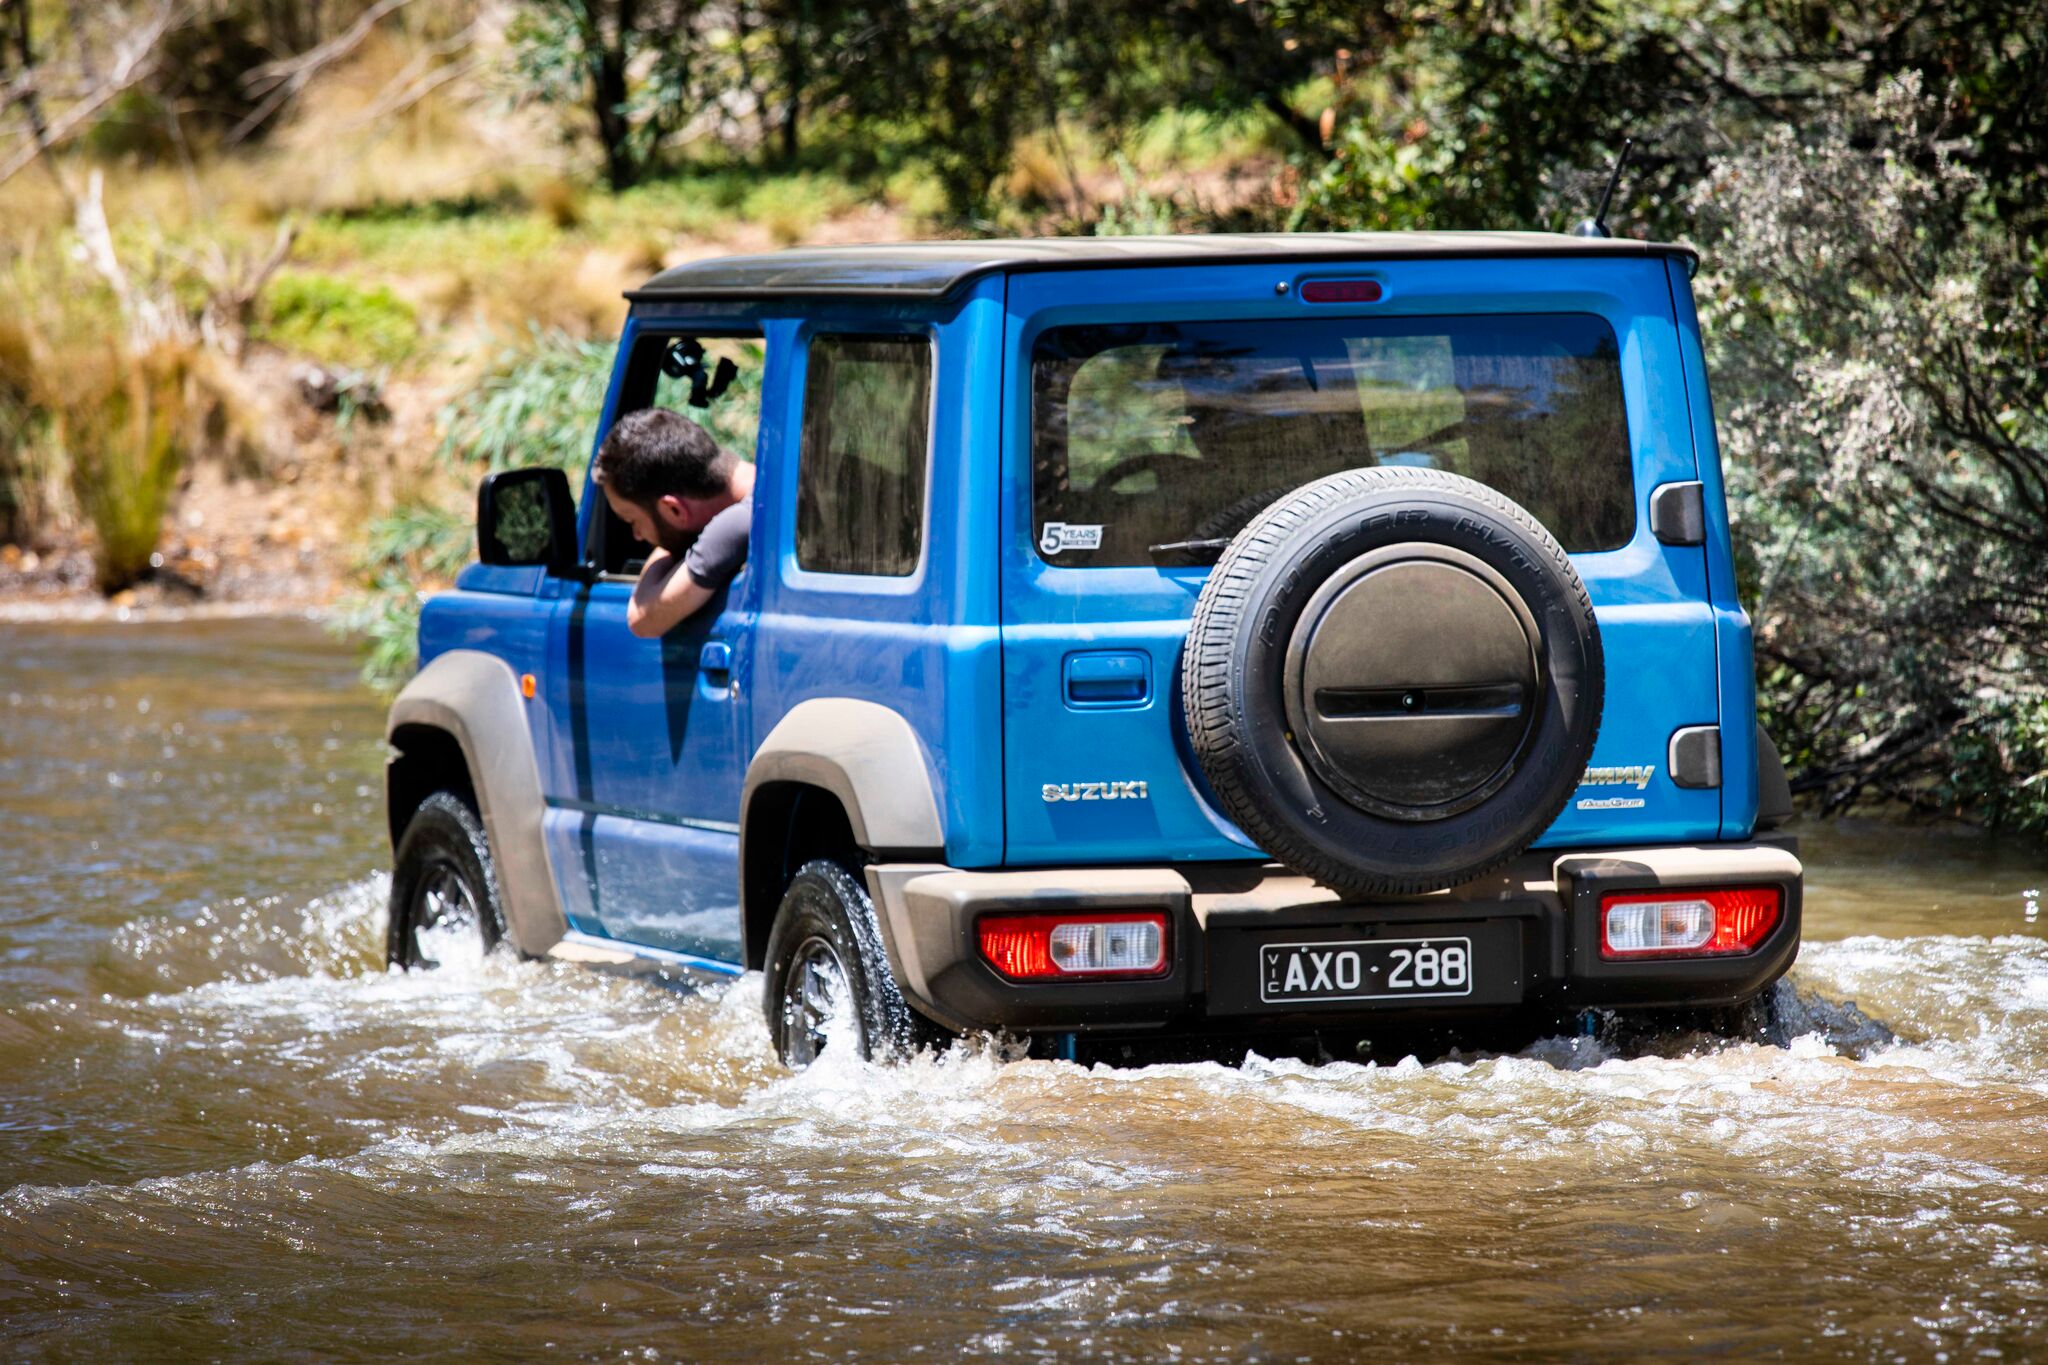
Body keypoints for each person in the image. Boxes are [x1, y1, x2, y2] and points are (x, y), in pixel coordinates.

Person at [592, 407, 755, 638]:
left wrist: (670, 546)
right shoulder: (762, 485)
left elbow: (641, 618)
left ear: (674, 509)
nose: (637, 535)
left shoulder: (738, 522)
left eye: (633, 520)